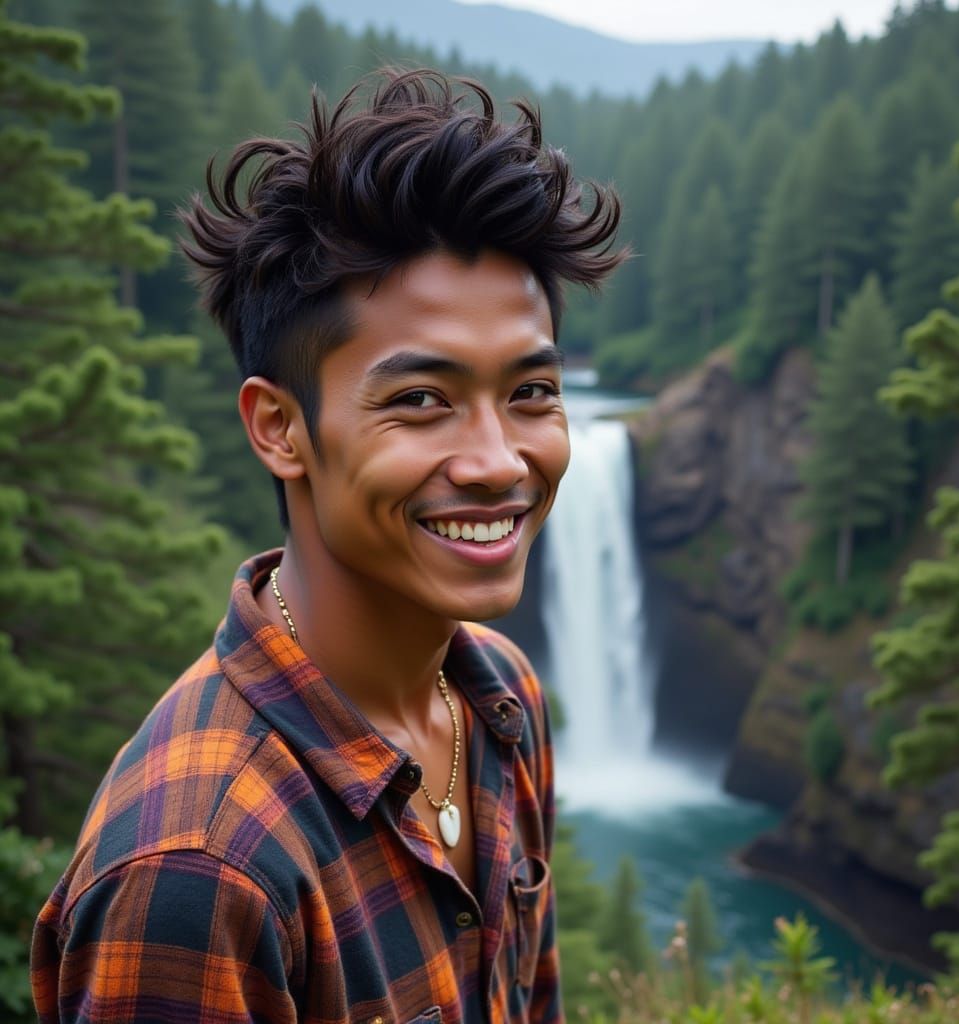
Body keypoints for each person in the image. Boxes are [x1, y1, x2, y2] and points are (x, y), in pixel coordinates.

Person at [30, 69, 624, 1023]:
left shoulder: (498, 700)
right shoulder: (199, 872)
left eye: (531, 393)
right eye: (420, 400)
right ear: (279, 429)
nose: (497, 461)